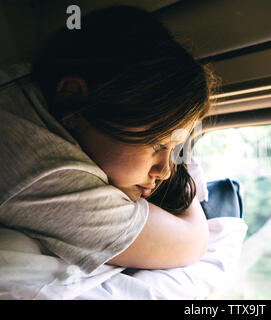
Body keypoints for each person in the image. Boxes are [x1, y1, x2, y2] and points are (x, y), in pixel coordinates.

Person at [0, 5, 221, 276]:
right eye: (156, 144)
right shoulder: (44, 170)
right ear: (73, 99)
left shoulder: (21, 85)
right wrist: (187, 193)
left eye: (175, 149)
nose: (164, 171)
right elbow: (191, 244)